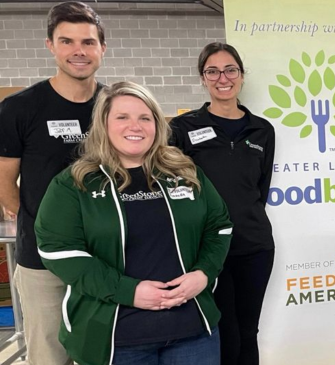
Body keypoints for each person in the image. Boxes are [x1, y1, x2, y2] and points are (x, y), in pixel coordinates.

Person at [34, 81, 233, 365]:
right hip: (117, 339)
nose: (135, 126)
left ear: (157, 124)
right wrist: (129, 291)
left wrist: (203, 273)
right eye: (122, 117)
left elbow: (220, 227)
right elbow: (59, 251)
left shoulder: (185, 173)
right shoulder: (75, 183)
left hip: (192, 331)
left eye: (145, 117)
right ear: (104, 124)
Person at [0, 2, 105, 363]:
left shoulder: (114, 107)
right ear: (50, 45)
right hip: (43, 261)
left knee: (102, 351)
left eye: (88, 42)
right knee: (48, 352)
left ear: (102, 48)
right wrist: (41, 224)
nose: (79, 51)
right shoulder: (19, 109)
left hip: (106, 259)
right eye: (67, 41)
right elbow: (5, 182)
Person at [170, 42, 275, 365]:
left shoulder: (262, 130)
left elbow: (260, 188)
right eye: (212, 71)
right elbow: (177, 192)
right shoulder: (182, 129)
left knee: (248, 332)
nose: (222, 78)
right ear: (203, 78)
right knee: (222, 331)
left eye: (230, 70)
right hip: (207, 250)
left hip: (254, 246)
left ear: (242, 76)